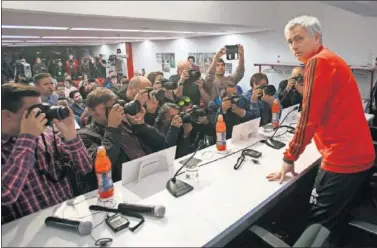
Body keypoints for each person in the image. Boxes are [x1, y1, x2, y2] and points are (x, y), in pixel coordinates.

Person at [267, 15, 375, 234]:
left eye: (299, 39)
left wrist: (290, 157)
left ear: (316, 37)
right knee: (337, 219)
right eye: (290, 41)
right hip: (359, 155)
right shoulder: (330, 58)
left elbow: (308, 118)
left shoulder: (317, 61)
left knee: (317, 224)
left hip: (342, 159)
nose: (293, 46)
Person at [1, 83, 92, 224]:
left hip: (68, 218)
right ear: (7, 115)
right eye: (34, 111)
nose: (42, 114)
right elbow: (5, 194)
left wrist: (72, 137)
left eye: (42, 107)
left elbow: (85, 168)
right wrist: (28, 138)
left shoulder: (47, 135)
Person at [77, 88, 167, 184]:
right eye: (108, 108)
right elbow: (101, 166)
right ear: (91, 111)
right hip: (124, 184)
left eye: (115, 106)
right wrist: (112, 129)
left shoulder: (126, 121)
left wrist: (140, 126)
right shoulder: (84, 135)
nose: (115, 111)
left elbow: (162, 143)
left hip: (150, 173)